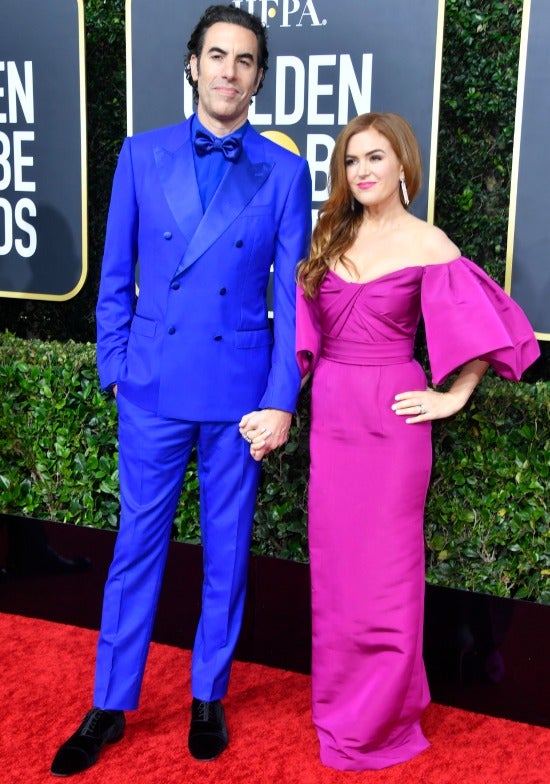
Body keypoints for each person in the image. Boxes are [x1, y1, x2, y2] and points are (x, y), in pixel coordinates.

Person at [51, 4, 311, 776]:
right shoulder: (141, 154)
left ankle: (208, 695)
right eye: (218, 55)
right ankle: (108, 703)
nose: (230, 70)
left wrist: (282, 398)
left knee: (227, 551)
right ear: (193, 65)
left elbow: (293, 299)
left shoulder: (285, 172)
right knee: (136, 548)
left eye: (245, 60)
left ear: (259, 79)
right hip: (153, 389)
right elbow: (114, 277)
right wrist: (118, 371)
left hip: (239, 398)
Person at [295, 112, 539, 771]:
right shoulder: (330, 233)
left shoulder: (430, 243)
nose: (362, 171)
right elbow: (303, 329)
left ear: (403, 165)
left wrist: (454, 393)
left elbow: (488, 324)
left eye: (376, 157)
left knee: (385, 577)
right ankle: (339, 706)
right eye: (351, 160)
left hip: (394, 424)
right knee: (338, 575)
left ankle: (381, 719)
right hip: (333, 419)